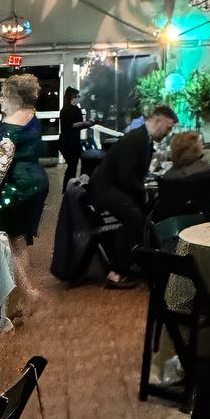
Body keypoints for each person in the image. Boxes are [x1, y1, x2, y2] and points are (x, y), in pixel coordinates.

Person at [90, 102, 177, 284]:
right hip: (104, 189)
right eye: (168, 128)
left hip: (110, 187)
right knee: (133, 216)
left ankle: (136, 260)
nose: (168, 133)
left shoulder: (143, 139)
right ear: (159, 120)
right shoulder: (137, 139)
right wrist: (141, 196)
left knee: (140, 213)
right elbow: (126, 176)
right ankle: (117, 271)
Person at [0, 73, 51, 249]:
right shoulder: (31, 118)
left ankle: (14, 277)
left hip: (16, 189)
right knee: (19, 242)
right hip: (36, 184)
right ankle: (18, 277)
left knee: (8, 244)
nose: (0, 100)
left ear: (16, 98)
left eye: (4, 95)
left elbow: (1, 166)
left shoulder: (10, 127)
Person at [152, 128, 210, 240]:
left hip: (172, 230)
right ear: (196, 149)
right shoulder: (206, 172)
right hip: (205, 226)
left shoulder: (167, 178)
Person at [57, 85, 84, 186]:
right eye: (76, 96)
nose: (78, 98)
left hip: (69, 142)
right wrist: (86, 123)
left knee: (72, 166)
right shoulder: (68, 110)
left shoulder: (69, 109)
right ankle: (68, 187)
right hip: (69, 143)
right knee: (72, 166)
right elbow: (72, 125)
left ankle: (68, 187)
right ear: (72, 97)